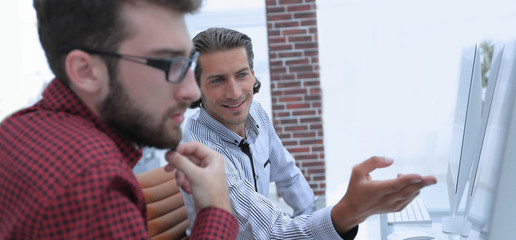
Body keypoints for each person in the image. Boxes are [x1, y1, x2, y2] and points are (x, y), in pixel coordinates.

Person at [0, 1, 237, 239]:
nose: (192, 92)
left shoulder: (14, 130)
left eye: (188, 62)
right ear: (86, 71)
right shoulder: (95, 183)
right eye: (169, 64)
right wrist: (216, 209)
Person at [180, 27, 437, 239]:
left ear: (253, 74)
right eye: (217, 80)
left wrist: (312, 217)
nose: (235, 93)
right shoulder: (201, 150)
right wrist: (348, 212)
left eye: (241, 75)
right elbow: (269, 232)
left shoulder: (255, 112)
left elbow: (288, 175)